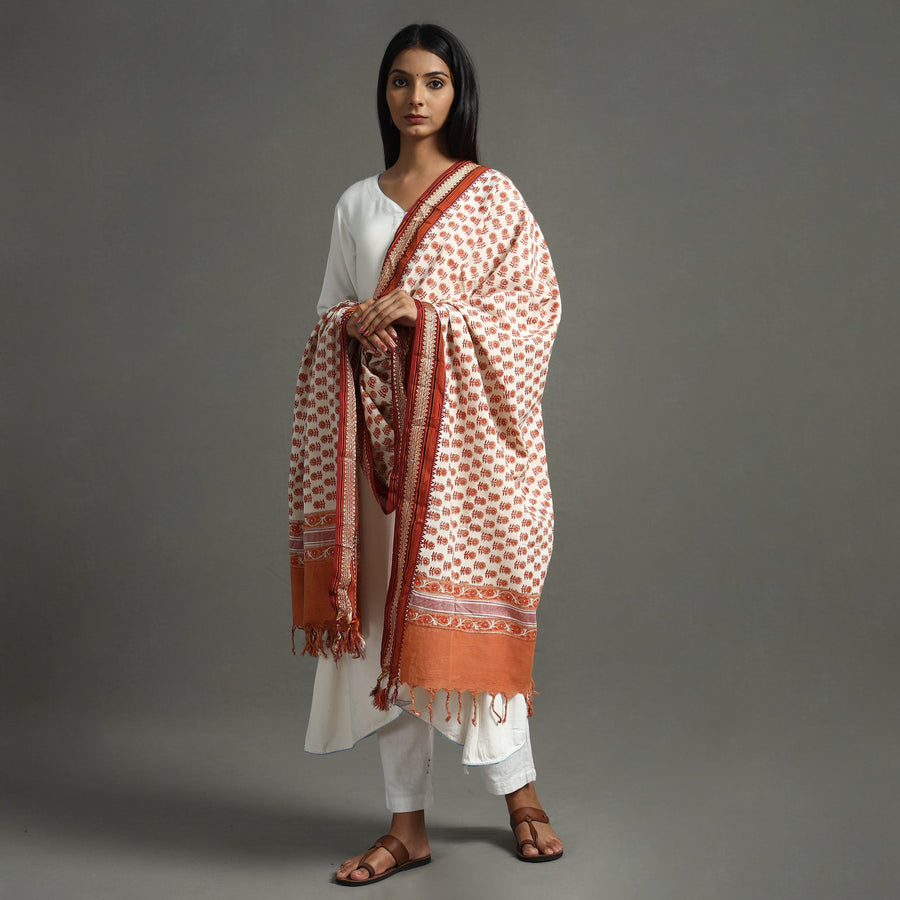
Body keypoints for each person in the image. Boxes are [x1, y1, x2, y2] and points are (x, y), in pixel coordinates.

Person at [288, 23, 563, 885]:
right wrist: (357, 322)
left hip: (462, 466)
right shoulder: (356, 204)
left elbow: (534, 311)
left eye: (434, 81)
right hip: (378, 460)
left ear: (457, 93)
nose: (416, 98)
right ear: (384, 93)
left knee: (464, 619)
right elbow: (328, 313)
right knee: (385, 632)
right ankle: (405, 824)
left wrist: (426, 314)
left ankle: (521, 796)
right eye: (401, 81)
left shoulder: (491, 197)